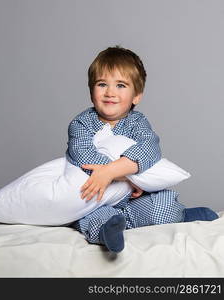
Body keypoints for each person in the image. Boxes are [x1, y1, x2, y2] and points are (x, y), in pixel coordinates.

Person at [66, 46, 218, 253]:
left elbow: (150, 147)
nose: (110, 92)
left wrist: (117, 174)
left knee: (162, 204)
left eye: (120, 85)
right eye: (102, 84)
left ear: (136, 96)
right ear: (91, 91)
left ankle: (182, 215)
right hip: (98, 200)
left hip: (135, 199)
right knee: (85, 217)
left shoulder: (137, 122)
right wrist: (124, 177)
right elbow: (83, 155)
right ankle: (108, 231)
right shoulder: (81, 123)